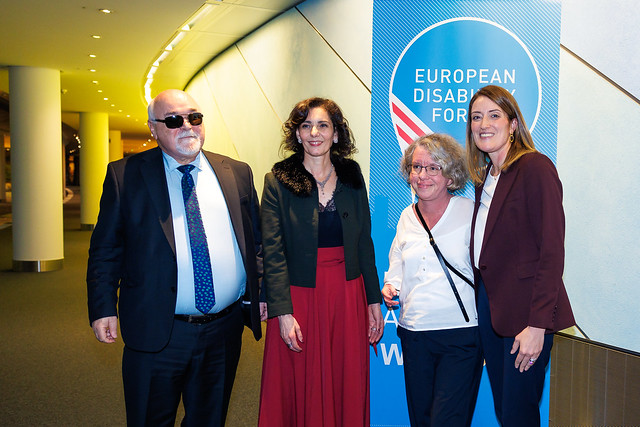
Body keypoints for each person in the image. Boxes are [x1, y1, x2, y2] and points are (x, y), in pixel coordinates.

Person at [86, 89, 265, 426]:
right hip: (156, 328)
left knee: (209, 419)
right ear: (153, 128)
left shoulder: (236, 172)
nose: (187, 126)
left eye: (194, 117)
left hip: (223, 332)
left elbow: (255, 241)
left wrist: (260, 293)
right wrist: (103, 307)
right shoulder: (125, 176)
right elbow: (105, 249)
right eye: (173, 120)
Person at [257, 97, 384, 427]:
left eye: (323, 125)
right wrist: (282, 312)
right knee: (298, 382)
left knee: (345, 381)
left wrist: (373, 301)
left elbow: (364, 243)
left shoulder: (352, 177)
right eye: (306, 126)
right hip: (298, 297)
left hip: (347, 295)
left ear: (336, 134)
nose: (314, 133)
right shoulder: (277, 181)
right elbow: (273, 251)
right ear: (297, 134)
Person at [466, 85, 575, 426]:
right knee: (506, 412)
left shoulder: (535, 167)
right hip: (491, 311)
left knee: (518, 416)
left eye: (494, 115)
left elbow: (551, 252)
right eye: (476, 117)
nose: (484, 124)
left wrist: (537, 325)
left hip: (526, 316)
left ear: (513, 124)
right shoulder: (486, 178)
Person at [382, 134, 482, 427]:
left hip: (461, 335)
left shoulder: (470, 212)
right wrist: (391, 285)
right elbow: (397, 262)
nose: (422, 175)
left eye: (433, 168)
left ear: (450, 176)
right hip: (414, 333)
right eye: (416, 167)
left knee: (447, 421)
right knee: (422, 420)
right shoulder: (406, 216)